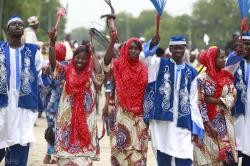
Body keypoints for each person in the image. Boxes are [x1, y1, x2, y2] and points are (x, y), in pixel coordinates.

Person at [142, 35, 204, 166]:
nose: (178, 51)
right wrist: (152, 45)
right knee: (164, 157)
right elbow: (144, 58)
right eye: (175, 48)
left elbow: (193, 101)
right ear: (170, 48)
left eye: (181, 48)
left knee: (186, 155)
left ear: (185, 49)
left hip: (183, 122)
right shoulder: (159, 64)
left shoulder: (192, 72)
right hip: (163, 123)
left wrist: (196, 126)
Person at [48, 29, 104, 166]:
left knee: (83, 159)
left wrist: (93, 54)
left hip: (86, 120)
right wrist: (52, 43)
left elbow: (100, 74)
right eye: (78, 57)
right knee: (66, 159)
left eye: (84, 58)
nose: (80, 60)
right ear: (74, 58)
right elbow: (54, 64)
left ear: (88, 59)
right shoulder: (66, 71)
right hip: (67, 120)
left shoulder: (91, 73)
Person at [0, 16, 46, 166]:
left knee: (21, 141)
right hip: (3, 108)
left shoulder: (32, 51)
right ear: (8, 30)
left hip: (23, 108)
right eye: (13, 24)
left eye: (20, 24)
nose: (18, 26)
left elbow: (42, 74)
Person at [103, 33, 149, 165]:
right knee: (120, 152)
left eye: (136, 48)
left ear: (140, 51)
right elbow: (106, 64)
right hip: (121, 117)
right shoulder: (117, 65)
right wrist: (112, 42)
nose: (133, 50)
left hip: (139, 118)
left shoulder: (145, 69)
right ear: (126, 48)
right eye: (131, 47)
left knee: (138, 154)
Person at [193, 46, 238, 166]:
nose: (225, 60)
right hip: (206, 126)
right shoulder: (201, 79)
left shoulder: (227, 77)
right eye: (221, 57)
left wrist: (213, 100)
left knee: (229, 159)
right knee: (210, 160)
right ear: (212, 59)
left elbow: (233, 95)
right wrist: (208, 124)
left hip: (225, 124)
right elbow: (199, 102)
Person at [227, 32, 250, 166]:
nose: (246, 47)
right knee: (232, 152)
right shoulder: (234, 61)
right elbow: (227, 67)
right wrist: (237, 54)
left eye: (248, 44)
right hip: (235, 114)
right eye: (243, 44)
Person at [42, 42, 67, 164]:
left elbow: (45, 85)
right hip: (66, 104)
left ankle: (49, 154)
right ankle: (57, 155)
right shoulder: (68, 66)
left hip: (52, 104)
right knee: (62, 129)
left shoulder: (50, 67)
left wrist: (44, 75)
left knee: (51, 130)